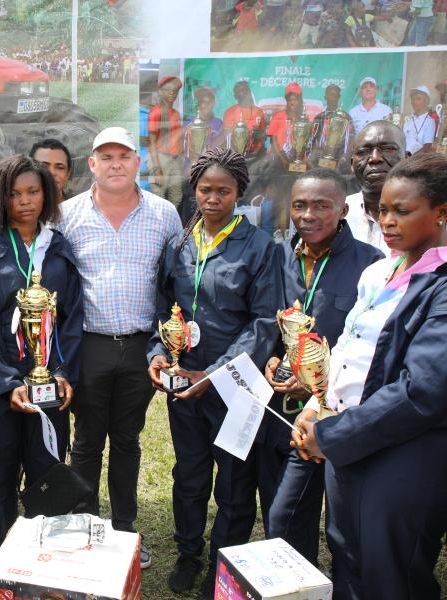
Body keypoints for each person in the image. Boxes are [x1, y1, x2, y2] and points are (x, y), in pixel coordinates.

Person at [296, 152, 447, 599]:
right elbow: (346, 350)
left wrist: (335, 434)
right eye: (382, 209)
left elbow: (423, 391)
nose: (388, 221)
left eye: (403, 211)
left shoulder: (441, 283)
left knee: (390, 575)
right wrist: (315, 409)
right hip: (351, 441)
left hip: (404, 455)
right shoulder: (381, 270)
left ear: (441, 211)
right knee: (348, 555)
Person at [148, 147, 282, 599]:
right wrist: (159, 354)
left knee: (233, 481)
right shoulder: (180, 244)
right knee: (189, 474)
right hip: (185, 386)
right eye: (205, 189)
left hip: (235, 389)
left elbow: (264, 322)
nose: (212, 198)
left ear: (239, 193)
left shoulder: (260, 246)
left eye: (223, 191)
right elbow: (163, 309)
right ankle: (189, 554)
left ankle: (223, 566)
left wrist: (216, 373)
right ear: (194, 190)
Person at [57, 127, 181, 569]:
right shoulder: (66, 214)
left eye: (123, 156)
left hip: (141, 348)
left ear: (137, 162)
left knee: (127, 440)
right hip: (88, 345)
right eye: (105, 156)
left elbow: (174, 281)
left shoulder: (165, 214)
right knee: (87, 441)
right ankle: (86, 528)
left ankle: (125, 532)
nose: (114, 164)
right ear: (91, 164)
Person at [259, 169, 383, 566]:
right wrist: (274, 358)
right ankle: (302, 582)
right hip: (284, 410)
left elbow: (370, 347)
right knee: (287, 515)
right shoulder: (282, 255)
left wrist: (317, 383)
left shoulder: (372, 266)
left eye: (321, 206)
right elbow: (274, 322)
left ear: (343, 210)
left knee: (331, 522)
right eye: (299, 205)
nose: (308, 215)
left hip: (336, 414)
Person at [0, 155, 83, 550]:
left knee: (46, 472)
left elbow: (71, 317)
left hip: (48, 383)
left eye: (33, 192)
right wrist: (6, 382)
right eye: (14, 194)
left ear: (46, 195)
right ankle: (1, 560)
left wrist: (64, 372)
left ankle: (42, 561)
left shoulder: (59, 247)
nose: (25, 202)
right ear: (0, 198)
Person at [346, 119, 406, 255]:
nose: (375, 158)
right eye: (363, 151)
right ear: (352, 164)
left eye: (388, 149)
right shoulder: (337, 214)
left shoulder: (426, 217)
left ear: (407, 158)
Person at [147, 75, 184, 205]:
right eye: (168, 89)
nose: (172, 93)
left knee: (177, 198)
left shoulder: (176, 113)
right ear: (160, 91)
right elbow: (151, 143)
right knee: (158, 200)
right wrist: (156, 169)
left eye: (175, 90)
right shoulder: (156, 112)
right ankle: (159, 226)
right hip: (160, 158)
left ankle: (170, 224)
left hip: (175, 159)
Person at [310, 85, 354, 170]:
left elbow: (351, 140)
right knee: (310, 162)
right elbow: (313, 139)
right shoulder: (319, 117)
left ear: (339, 97)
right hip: (321, 155)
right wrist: (317, 152)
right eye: (330, 95)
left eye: (335, 95)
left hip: (338, 156)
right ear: (325, 97)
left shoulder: (346, 118)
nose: (333, 98)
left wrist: (344, 156)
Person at [267, 82, 307, 172]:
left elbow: (305, 141)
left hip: (296, 155)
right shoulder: (278, 116)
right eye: (290, 100)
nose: (293, 103)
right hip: (278, 156)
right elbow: (273, 142)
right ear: (286, 100)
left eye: (296, 99)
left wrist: (302, 158)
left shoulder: (303, 119)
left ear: (300, 100)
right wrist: (282, 160)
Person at [222, 80, 267, 158]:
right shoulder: (230, 112)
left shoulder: (259, 111)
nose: (245, 93)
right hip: (235, 156)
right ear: (235, 96)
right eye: (241, 91)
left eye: (246, 90)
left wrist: (260, 135)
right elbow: (227, 137)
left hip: (255, 155)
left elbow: (263, 135)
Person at [184, 87, 225, 159]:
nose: (204, 105)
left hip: (212, 164)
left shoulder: (219, 123)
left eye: (208, 102)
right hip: (191, 164)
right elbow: (186, 146)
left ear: (213, 103)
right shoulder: (189, 121)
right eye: (201, 101)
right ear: (197, 103)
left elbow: (222, 147)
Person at [29, 138, 73, 203]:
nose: (51, 172)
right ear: (29, 170)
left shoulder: (80, 210)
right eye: (43, 166)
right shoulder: (18, 209)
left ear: (68, 174)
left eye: (60, 167)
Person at [403, 85, 436, 154]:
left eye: (418, 99)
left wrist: (409, 158)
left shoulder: (429, 121)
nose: (414, 102)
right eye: (413, 99)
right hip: (403, 158)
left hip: (416, 161)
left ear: (426, 101)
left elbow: (427, 147)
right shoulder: (408, 120)